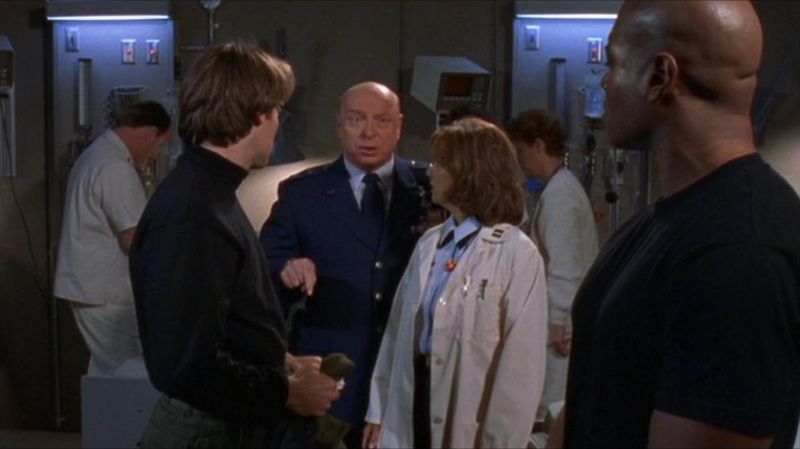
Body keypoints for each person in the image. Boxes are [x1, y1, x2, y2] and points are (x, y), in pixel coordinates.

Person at [549, 2, 800, 448]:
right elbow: (596, 394)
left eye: (614, 64)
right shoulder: (656, 224)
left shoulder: (739, 250)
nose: (605, 82)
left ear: (660, 76)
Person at [129, 40, 340, 448]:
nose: (279, 123)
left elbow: (220, 319)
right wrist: (286, 394)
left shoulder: (213, 192)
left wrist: (278, 361)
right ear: (256, 113)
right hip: (204, 431)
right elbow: (186, 364)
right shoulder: (193, 210)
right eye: (277, 110)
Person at [260, 81, 436, 447]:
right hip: (331, 372)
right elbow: (266, 259)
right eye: (357, 119)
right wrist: (288, 265)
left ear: (399, 126)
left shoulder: (429, 188)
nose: (369, 132)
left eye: (382, 121)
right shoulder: (303, 192)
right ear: (339, 125)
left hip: (406, 373)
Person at [364, 118, 549, 449]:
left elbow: (520, 370)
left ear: (468, 173)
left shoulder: (516, 254)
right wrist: (378, 412)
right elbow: (397, 333)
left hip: (469, 411)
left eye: (440, 163)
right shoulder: (430, 243)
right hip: (414, 401)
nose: (429, 172)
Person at [54, 100, 171, 377]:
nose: (156, 153)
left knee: (106, 370)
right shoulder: (115, 167)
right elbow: (133, 238)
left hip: (92, 288)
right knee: (126, 372)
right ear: (149, 133)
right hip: (106, 293)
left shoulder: (95, 155)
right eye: (160, 145)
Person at [506, 109, 599, 426]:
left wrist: (560, 319)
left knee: (553, 409)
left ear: (538, 145)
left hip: (562, 326)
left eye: (521, 151)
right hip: (563, 318)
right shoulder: (559, 189)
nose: (520, 161)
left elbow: (565, 265)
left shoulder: (560, 196)